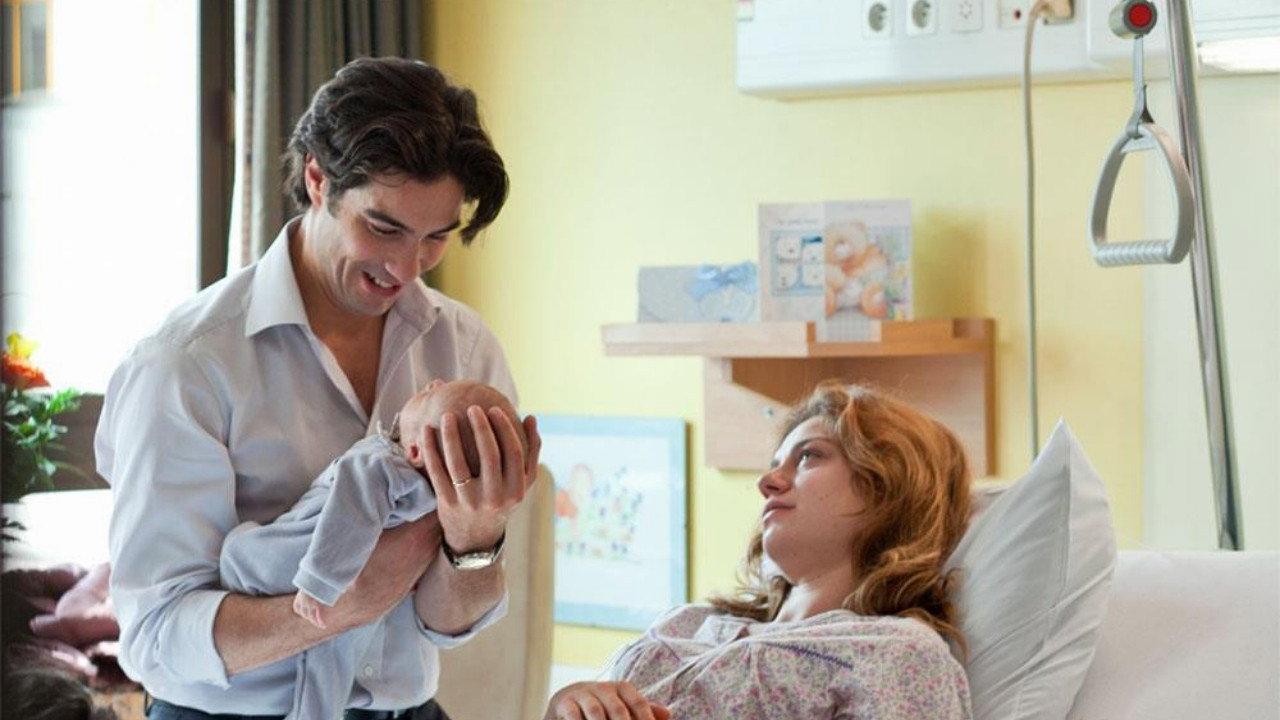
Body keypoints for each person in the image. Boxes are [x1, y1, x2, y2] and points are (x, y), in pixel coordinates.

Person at [96, 57, 542, 720]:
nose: (405, 266)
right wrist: (338, 607)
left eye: (435, 238)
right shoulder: (186, 366)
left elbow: (449, 625)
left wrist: (474, 537)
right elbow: (156, 637)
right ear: (317, 179)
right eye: (383, 228)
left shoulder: (465, 349)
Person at [544, 382, 973, 720]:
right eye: (775, 464)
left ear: (889, 486)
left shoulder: (897, 655)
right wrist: (566, 706)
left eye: (808, 457)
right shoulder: (689, 623)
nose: (767, 482)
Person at [216, 380, 527, 720]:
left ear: (415, 452)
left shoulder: (381, 463)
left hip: (301, 566)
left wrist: (319, 584)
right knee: (330, 660)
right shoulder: (433, 503)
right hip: (321, 596)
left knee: (239, 553)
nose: (433, 382)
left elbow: (346, 518)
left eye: (430, 395)